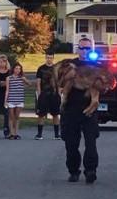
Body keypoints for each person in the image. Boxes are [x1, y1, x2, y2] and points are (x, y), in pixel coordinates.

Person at [60, 38, 100, 184]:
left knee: (90, 142)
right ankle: (73, 170)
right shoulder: (70, 65)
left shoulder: (97, 66)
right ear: (77, 49)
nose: (85, 51)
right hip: (71, 108)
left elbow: (106, 84)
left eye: (88, 48)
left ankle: (90, 170)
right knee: (71, 143)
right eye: (82, 48)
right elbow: (61, 82)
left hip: (89, 109)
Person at [35, 51, 61, 140]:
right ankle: (39, 134)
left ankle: (57, 134)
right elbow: (38, 81)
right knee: (41, 114)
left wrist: (59, 92)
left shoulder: (56, 68)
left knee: (55, 114)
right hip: (44, 94)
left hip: (54, 94)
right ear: (45, 58)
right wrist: (39, 93)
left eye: (51, 57)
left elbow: (59, 81)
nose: (49, 59)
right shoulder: (41, 68)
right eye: (48, 57)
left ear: (53, 58)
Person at [4, 62, 30, 139]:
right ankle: (11, 133)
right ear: (13, 69)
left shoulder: (22, 77)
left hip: (19, 99)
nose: (18, 70)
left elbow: (29, 84)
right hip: (11, 99)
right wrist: (5, 100)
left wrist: (25, 80)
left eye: (19, 69)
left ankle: (16, 133)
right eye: (16, 68)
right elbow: (7, 90)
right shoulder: (9, 78)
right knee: (11, 116)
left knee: (17, 116)